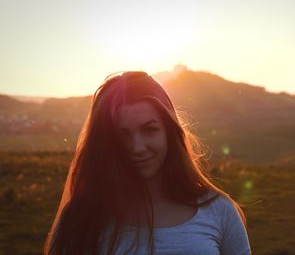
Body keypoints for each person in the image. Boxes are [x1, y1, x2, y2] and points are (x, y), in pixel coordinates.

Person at [44, 71, 251, 255]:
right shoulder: (80, 219)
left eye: (149, 129)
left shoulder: (219, 211)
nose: (137, 147)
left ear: (169, 132)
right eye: (122, 135)